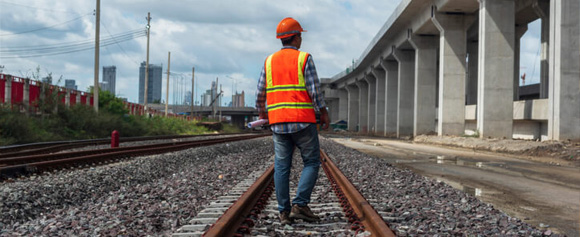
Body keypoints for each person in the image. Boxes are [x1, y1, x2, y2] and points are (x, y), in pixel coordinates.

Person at [255, 17, 330, 225]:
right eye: (300, 36)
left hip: (278, 123)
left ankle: (283, 212)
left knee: (281, 166)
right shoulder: (304, 59)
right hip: (302, 122)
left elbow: (260, 92)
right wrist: (323, 112)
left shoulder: (269, 61)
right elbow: (314, 91)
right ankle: (300, 204)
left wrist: (262, 113)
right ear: (296, 38)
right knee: (312, 161)